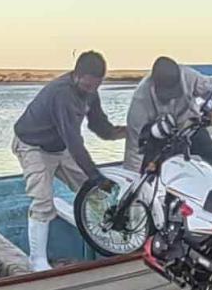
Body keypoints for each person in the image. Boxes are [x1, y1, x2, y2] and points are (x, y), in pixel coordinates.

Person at [12, 51, 126, 271]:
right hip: (33, 145)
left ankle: (110, 241)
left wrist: (131, 132)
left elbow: (101, 128)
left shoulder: (91, 92)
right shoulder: (61, 94)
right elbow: (74, 141)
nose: (91, 91)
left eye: (96, 86)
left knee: (96, 194)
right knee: (43, 201)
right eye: (87, 86)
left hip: (60, 146)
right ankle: (37, 262)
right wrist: (95, 176)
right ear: (76, 75)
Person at [125, 57, 212, 172]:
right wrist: (134, 177)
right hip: (159, 138)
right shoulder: (140, 100)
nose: (171, 98)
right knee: (159, 172)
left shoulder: (189, 76)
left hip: (191, 127)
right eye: (167, 94)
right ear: (153, 85)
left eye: (174, 91)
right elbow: (134, 148)